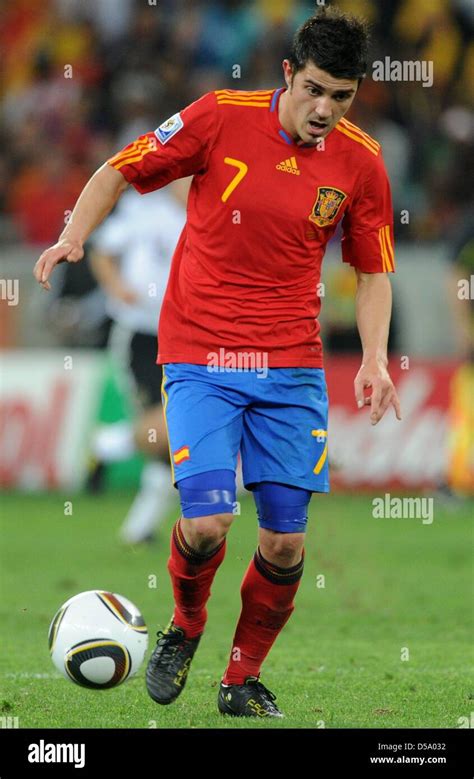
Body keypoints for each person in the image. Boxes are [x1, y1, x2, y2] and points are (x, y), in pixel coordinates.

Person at [34, 7, 401, 718]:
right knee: (207, 523)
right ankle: (186, 625)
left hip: (292, 365)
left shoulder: (363, 162)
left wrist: (378, 359)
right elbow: (121, 167)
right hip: (200, 350)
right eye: (316, 89)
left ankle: (240, 678)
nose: (326, 109)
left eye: (343, 97)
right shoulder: (219, 116)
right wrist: (73, 236)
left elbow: (376, 271)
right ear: (289, 74)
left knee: (286, 542)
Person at [88, 183, 187, 544]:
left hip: (189, 336)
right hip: (141, 335)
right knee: (166, 428)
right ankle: (107, 444)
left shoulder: (212, 212)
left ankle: (139, 529)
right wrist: (116, 287)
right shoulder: (141, 208)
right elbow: (101, 250)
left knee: (175, 438)